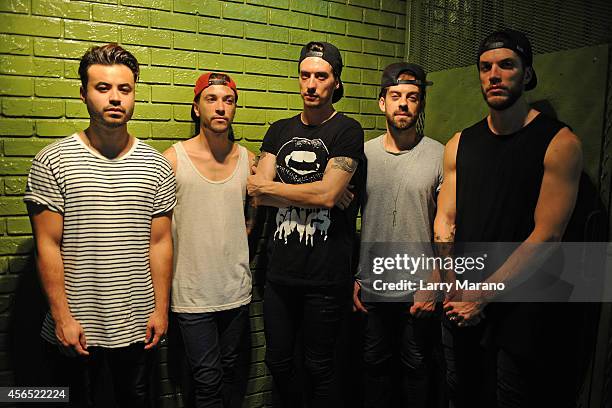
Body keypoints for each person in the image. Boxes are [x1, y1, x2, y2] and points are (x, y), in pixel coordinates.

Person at [435, 29, 583, 407]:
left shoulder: (559, 142)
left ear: (527, 73)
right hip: (461, 302)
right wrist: (453, 284)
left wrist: (481, 296)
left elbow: (547, 236)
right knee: (460, 395)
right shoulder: (459, 143)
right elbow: (445, 218)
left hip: (521, 310)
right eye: (485, 67)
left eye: (506, 65)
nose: (494, 75)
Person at [24, 43, 176, 407]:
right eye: (102, 88)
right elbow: (48, 245)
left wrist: (160, 309)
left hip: (138, 326)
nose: (115, 98)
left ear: (134, 94)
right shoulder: (53, 161)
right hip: (76, 328)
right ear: (83, 94)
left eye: (124, 89)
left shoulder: (157, 165)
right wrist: (62, 317)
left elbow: (160, 243)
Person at [247, 41, 364, 407]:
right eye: (305, 75)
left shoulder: (347, 130)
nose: (312, 84)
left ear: (336, 83)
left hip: (326, 278)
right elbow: (256, 194)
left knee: (319, 365)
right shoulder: (279, 130)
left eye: (322, 76)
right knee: (278, 361)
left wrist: (275, 188)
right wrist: (319, 191)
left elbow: (326, 196)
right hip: (279, 275)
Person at [352, 62, 443, 408]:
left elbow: (449, 224)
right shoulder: (363, 154)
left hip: (417, 291)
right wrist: (353, 276)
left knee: (417, 372)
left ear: (420, 105)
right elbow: (347, 219)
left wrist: (435, 281)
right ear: (382, 103)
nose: (403, 103)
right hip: (372, 288)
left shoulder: (439, 154)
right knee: (374, 371)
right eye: (396, 96)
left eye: (412, 97)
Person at [163, 72, 255, 408]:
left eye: (228, 101)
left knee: (229, 373)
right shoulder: (173, 159)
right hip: (191, 294)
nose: (220, 108)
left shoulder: (248, 160)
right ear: (196, 107)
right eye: (211, 99)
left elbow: (252, 216)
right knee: (207, 380)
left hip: (235, 290)